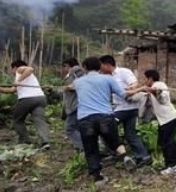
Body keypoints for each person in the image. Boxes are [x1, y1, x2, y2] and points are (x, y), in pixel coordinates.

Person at [73, 56, 137, 184]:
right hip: (105, 116)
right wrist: (140, 89)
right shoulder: (108, 79)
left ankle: (98, 176)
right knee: (114, 141)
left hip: (85, 118)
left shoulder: (78, 82)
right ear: (99, 67)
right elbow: (124, 94)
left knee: (91, 147)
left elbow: (70, 87)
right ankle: (125, 157)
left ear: (85, 67)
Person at [135, 69, 176, 175]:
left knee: (167, 143)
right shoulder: (153, 88)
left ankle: (173, 165)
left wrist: (153, 91)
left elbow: (163, 98)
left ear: (150, 78)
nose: (144, 81)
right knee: (162, 142)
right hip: (165, 120)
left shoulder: (159, 85)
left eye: (145, 78)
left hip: (169, 118)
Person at [99, 55, 151, 167]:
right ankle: (143, 156)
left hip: (125, 108)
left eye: (101, 65)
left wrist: (131, 88)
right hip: (123, 108)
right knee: (130, 134)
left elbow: (134, 83)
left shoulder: (123, 72)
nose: (100, 68)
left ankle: (116, 152)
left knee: (105, 128)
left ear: (107, 64)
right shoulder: (107, 76)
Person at [0, 60, 50, 150]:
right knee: (39, 120)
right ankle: (45, 142)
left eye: (11, 69)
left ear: (14, 67)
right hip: (40, 98)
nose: (11, 71)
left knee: (18, 120)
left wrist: (19, 80)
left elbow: (30, 69)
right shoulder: (25, 76)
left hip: (27, 99)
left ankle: (24, 140)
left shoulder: (19, 70)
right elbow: (11, 90)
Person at [61, 58, 85, 151]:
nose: (63, 69)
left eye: (64, 67)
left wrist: (72, 87)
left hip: (76, 104)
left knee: (69, 128)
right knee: (78, 127)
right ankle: (80, 146)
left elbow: (83, 85)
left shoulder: (76, 72)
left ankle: (85, 147)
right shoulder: (75, 73)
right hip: (76, 104)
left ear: (67, 65)